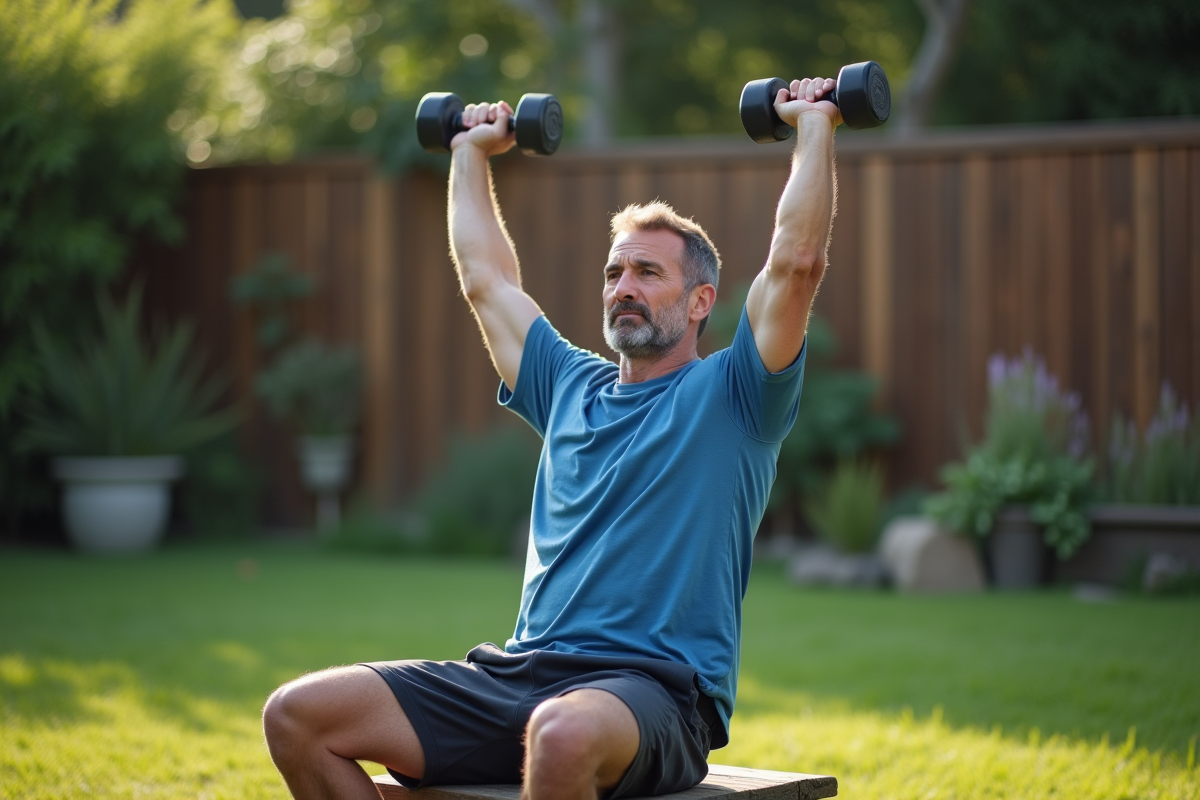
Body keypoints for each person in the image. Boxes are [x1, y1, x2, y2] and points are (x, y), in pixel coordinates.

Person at [262, 76, 843, 800]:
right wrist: (469, 150)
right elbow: (485, 279)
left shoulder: (736, 395)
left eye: (647, 272)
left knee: (560, 732)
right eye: (614, 272)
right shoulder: (568, 384)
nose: (623, 287)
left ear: (700, 301)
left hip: (652, 692)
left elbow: (795, 263)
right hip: (517, 676)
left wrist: (814, 122)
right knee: (297, 716)